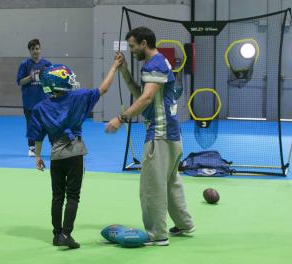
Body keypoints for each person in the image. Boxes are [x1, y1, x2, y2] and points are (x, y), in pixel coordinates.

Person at [105, 27, 195, 246]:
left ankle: (157, 234)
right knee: (170, 182)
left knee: (151, 187)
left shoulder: (154, 65)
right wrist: (124, 70)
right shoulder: (158, 63)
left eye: (133, 46)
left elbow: (145, 99)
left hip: (160, 135)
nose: (132, 50)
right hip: (172, 135)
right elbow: (142, 94)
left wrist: (121, 118)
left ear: (144, 43)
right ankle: (185, 224)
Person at [27, 60, 120, 249]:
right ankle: (66, 234)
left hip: (55, 156)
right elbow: (103, 89)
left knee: (57, 196)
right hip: (75, 154)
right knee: (73, 196)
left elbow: (37, 136)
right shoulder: (79, 97)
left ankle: (56, 234)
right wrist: (114, 67)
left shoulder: (40, 108)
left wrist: (37, 157)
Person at [16, 39, 52, 156]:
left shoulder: (47, 64)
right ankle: (31, 148)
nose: (35, 51)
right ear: (29, 51)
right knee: (31, 125)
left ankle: (55, 146)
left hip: (44, 101)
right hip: (29, 102)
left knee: (48, 124)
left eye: (37, 48)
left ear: (40, 49)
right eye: (33, 49)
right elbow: (20, 82)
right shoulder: (24, 64)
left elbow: (52, 81)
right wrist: (31, 77)